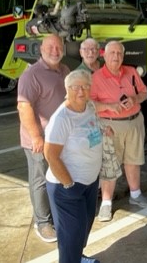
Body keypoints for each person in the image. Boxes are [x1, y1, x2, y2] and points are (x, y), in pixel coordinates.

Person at [44, 70, 106, 263]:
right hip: (67, 186)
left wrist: (104, 130)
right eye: (76, 87)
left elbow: (89, 131)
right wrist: (69, 185)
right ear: (67, 89)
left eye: (86, 86)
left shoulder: (89, 107)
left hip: (89, 181)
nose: (82, 90)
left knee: (83, 227)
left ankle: (78, 257)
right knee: (71, 234)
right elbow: (50, 155)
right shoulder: (61, 118)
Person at [17, 34, 70, 243]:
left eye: (58, 47)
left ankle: (56, 215)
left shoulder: (64, 70)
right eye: (50, 47)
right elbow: (24, 106)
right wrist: (36, 136)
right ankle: (43, 222)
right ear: (41, 49)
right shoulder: (31, 75)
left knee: (57, 176)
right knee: (39, 179)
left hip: (58, 138)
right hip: (38, 140)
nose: (55, 51)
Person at [90, 41, 147, 222]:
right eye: (112, 53)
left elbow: (144, 93)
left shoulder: (131, 72)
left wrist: (134, 99)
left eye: (119, 53)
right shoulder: (96, 77)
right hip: (110, 126)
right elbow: (90, 105)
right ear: (104, 55)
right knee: (109, 164)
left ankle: (136, 194)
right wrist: (109, 106)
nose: (116, 56)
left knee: (133, 160)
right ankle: (106, 203)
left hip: (134, 122)